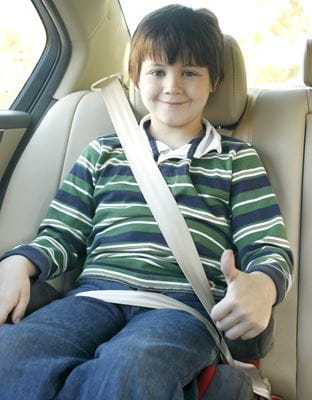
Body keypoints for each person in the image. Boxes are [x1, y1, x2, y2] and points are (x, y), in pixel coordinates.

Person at [0, 4, 293, 400]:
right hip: (94, 296)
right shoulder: (102, 152)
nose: (172, 85)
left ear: (213, 81)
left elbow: (266, 245)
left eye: (189, 72)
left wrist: (262, 285)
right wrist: (20, 262)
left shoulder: (236, 160)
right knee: (12, 354)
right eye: (158, 71)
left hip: (183, 307)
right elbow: (63, 233)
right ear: (135, 78)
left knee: (133, 367)